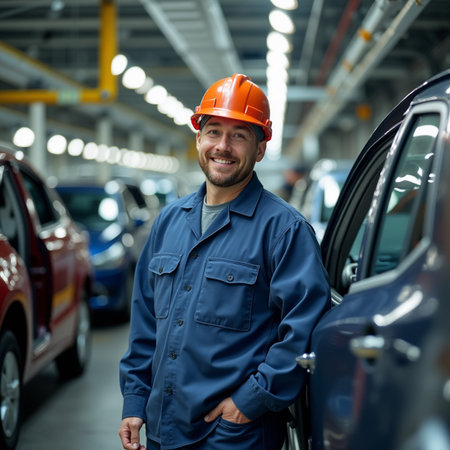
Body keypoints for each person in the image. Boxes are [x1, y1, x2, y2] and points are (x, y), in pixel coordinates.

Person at [119, 73, 330, 450]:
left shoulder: (284, 230)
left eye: (239, 135)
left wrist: (251, 401)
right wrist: (135, 401)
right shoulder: (168, 222)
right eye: (214, 131)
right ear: (198, 138)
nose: (224, 146)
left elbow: (303, 330)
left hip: (234, 435)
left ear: (260, 149)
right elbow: (146, 323)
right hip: (163, 429)